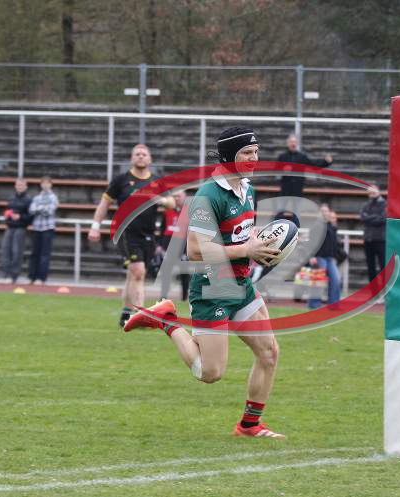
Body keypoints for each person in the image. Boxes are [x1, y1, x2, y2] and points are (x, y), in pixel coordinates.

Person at [125, 126, 287, 439]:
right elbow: (195, 251)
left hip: (241, 284)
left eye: (256, 152)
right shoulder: (208, 196)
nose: (255, 158)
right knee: (210, 372)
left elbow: (239, 235)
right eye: (247, 153)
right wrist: (246, 249)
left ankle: (249, 426)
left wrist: (261, 244)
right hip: (213, 287)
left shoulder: (247, 188)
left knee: (269, 353)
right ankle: (166, 320)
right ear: (228, 157)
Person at [88, 144, 174, 328]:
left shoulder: (157, 181)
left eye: (144, 154)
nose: (140, 156)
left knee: (134, 275)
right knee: (138, 272)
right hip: (126, 232)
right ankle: (141, 316)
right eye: (137, 154)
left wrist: (161, 200)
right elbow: (104, 204)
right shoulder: (121, 180)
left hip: (148, 235)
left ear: (150, 159)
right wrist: (95, 226)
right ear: (131, 158)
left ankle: (125, 315)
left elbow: (172, 203)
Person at [276, 133, 332, 211]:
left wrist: (325, 162)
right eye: (291, 142)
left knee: (296, 212)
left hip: (297, 190)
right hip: (285, 190)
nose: (293, 144)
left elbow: (313, 166)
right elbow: (276, 170)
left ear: (297, 143)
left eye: (294, 142)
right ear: (288, 143)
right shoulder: (282, 157)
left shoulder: (302, 157)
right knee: (280, 211)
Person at [157, 190, 190, 301]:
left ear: (184, 197)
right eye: (174, 196)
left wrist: (187, 249)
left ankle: (184, 297)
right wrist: (159, 245)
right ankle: (163, 296)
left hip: (183, 245)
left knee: (184, 272)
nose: (176, 198)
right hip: (168, 245)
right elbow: (162, 228)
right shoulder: (167, 211)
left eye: (179, 196)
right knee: (166, 271)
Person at [308, 204, 341, 309]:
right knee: (318, 281)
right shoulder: (316, 226)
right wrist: (311, 256)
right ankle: (314, 305)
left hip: (330, 258)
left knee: (336, 280)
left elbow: (334, 243)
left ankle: (333, 305)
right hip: (319, 257)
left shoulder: (332, 226)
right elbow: (311, 243)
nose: (324, 213)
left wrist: (336, 256)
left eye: (326, 211)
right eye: (322, 211)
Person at [0, 178, 33, 283]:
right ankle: (5, 275)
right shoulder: (11, 198)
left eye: (22, 185)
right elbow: (8, 211)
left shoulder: (28, 200)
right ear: (15, 186)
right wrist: (7, 215)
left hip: (20, 228)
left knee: (17, 252)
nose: (20, 187)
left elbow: (31, 216)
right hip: (10, 227)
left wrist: (20, 217)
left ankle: (14, 276)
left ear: (26, 187)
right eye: (18, 185)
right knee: (5, 250)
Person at [28, 176, 58, 285]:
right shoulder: (37, 197)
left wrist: (39, 208)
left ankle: (41, 278)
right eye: (43, 183)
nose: (45, 185)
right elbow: (31, 210)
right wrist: (42, 208)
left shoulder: (53, 197)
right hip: (36, 228)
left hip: (48, 228)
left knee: (44, 254)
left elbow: (50, 211)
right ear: (40, 184)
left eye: (47, 183)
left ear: (51, 184)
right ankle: (32, 277)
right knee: (34, 253)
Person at [360, 186, 387, 283]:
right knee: (370, 266)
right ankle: (373, 288)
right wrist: (375, 217)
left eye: (373, 191)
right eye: (370, 192)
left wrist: (369, 218)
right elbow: (363, 218)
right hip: (368, 239)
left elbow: (382, 219)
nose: (372, 194)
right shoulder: (366, 205)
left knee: (383, 265)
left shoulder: (385, 204)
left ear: (379, 191)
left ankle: (385, 288)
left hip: (381, 239)